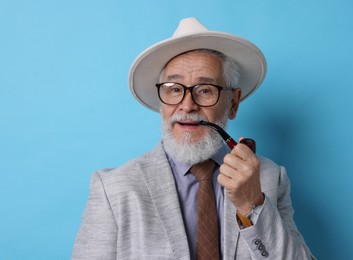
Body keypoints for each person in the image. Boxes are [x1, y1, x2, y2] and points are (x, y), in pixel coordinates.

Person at [72, 17, 315, 260]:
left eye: (205, 90)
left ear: (233, 103)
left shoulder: (270, 178)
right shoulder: (113, 188)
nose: (187, 106)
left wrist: (252, 204)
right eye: (175, 89)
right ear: (161, 103)